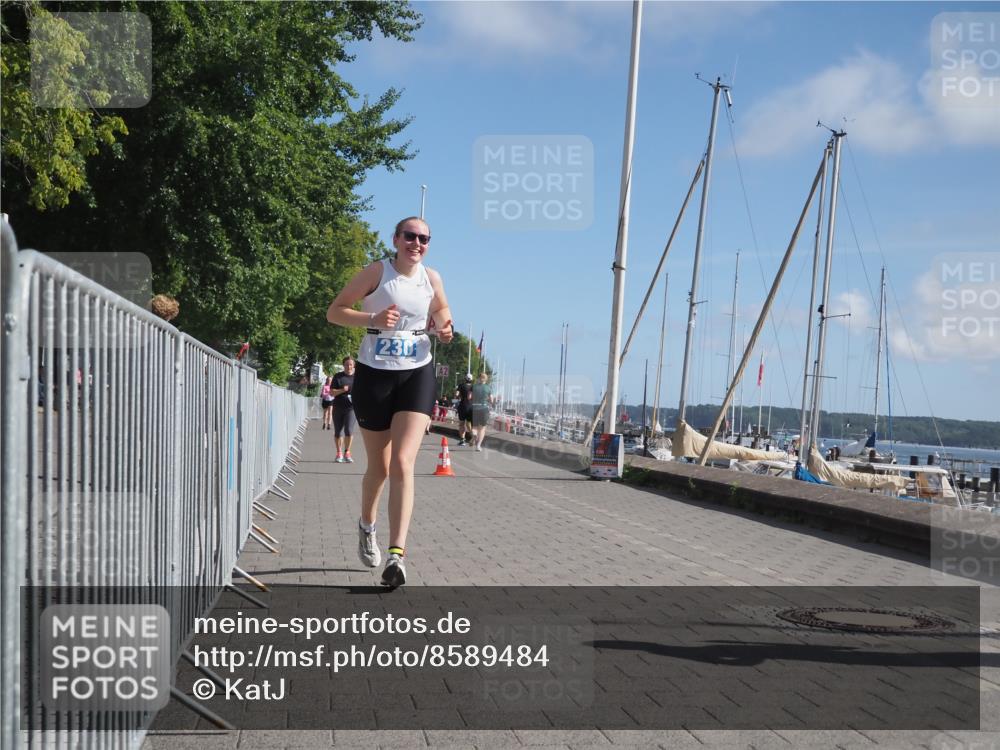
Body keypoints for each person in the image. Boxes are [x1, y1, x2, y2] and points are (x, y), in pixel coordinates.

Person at [326, 216, 453, 587]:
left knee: (403, 461)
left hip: (417, 371)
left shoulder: (432, 278)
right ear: (396, 239)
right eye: (411, 236)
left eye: (425, 238)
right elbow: (335, 312)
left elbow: (442, 311)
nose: (417, 243)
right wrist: (373, 317)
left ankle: (397, 556)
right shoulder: (377, 272)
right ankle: (367, 526)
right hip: (374, 374)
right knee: (379, 468)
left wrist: (445, 329)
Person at [331, 357, 357, 462]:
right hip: (338, 407)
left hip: (351, 408)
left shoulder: (357, 378)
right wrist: (342, 390)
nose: (349, 366)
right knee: (338, 432)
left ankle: (347, 452)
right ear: (343, 365)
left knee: (349, 430)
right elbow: (332, 392)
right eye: (347, 364)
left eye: (351, 364)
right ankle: (339, 453)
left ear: (354, 366)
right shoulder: (338, 377)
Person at [471, 371, 494, 452]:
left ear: (479, 378)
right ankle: (478, 445)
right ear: (486, 379)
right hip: (484, 408)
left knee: (474, 427)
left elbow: (470, 397)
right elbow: (491, 400)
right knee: (482, 429)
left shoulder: (474, 387)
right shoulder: (488, 388)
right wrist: (488, 400)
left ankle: (474, 435)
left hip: (475, 408)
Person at [456, 374, 474, 446]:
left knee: (462, 424)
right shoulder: (474, 387)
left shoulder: (461, 385)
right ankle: (473, 437)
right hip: (471, 406)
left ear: (465, 379)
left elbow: (456, 394)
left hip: (463, 406)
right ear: (471, 379)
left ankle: (462, 440)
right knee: (470, 424)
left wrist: (458, 395)